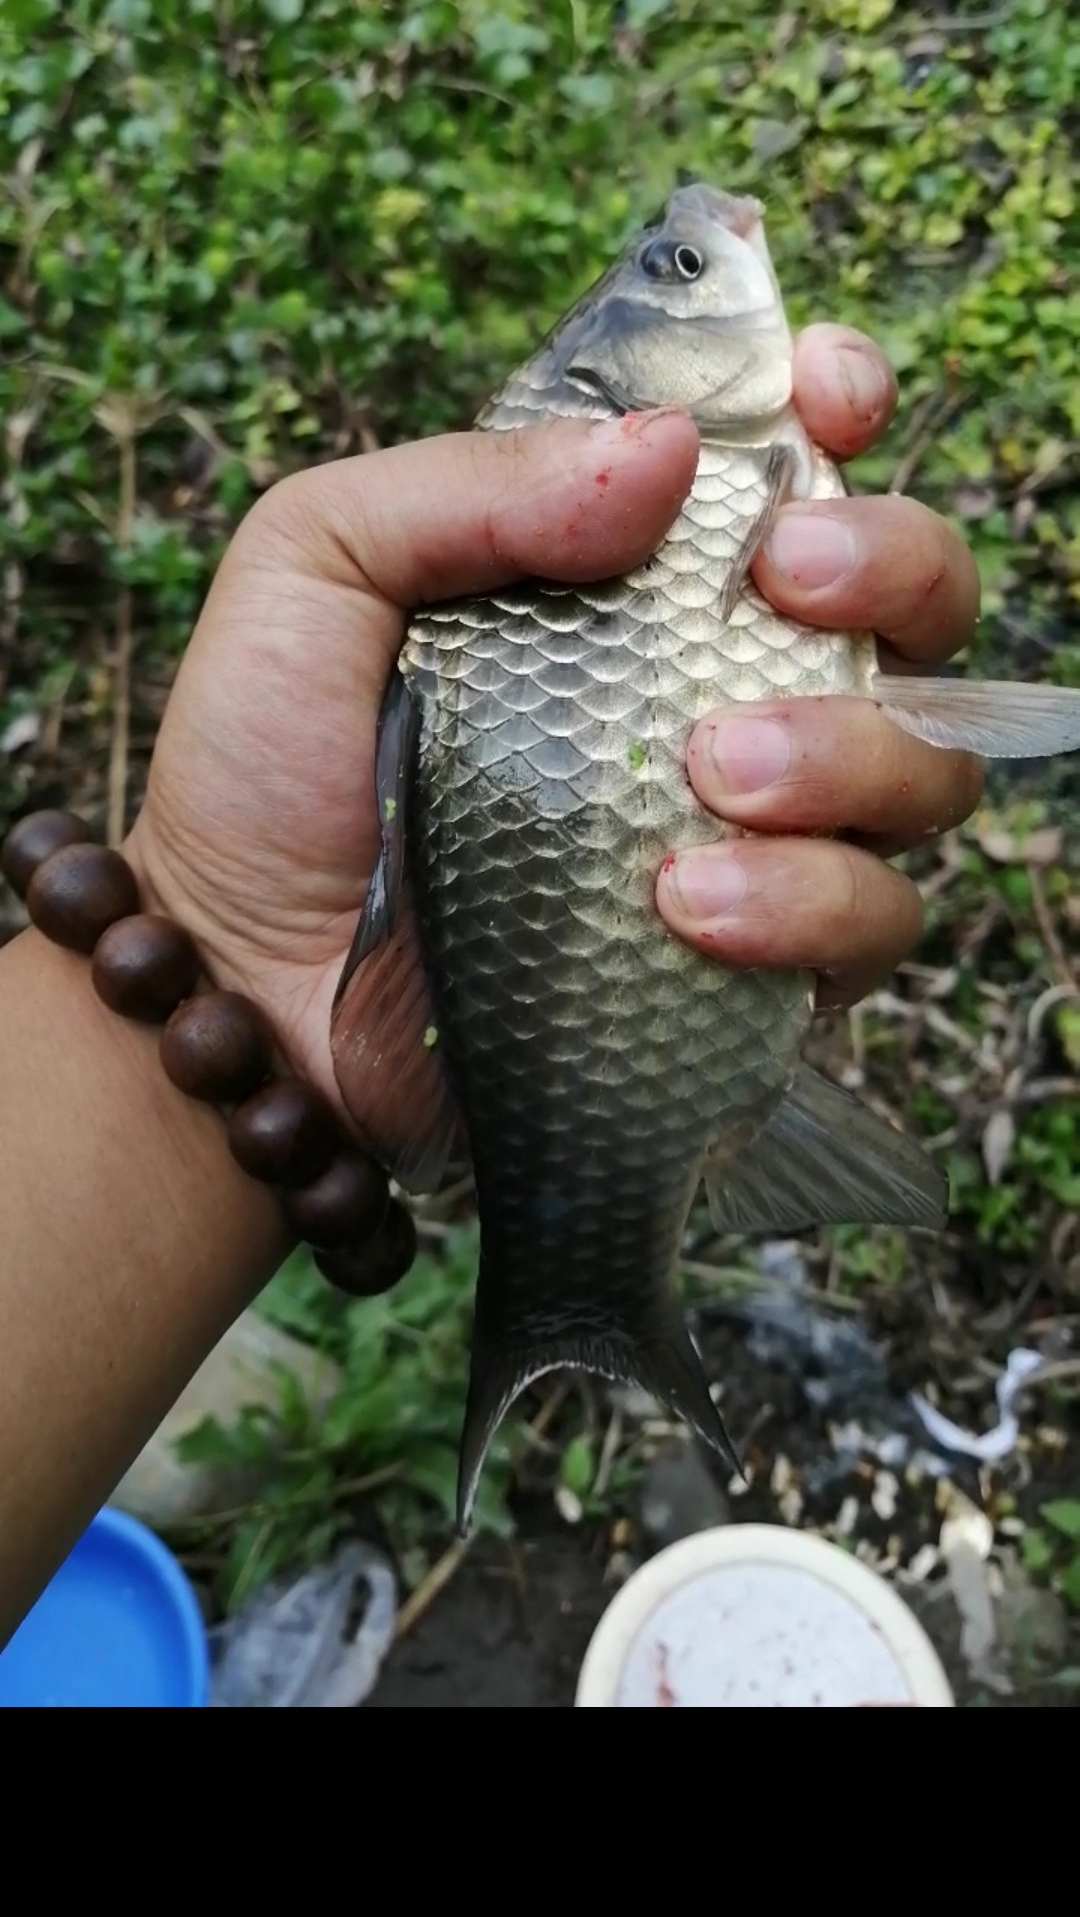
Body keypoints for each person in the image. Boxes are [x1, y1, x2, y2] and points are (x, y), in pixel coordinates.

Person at [0, 323, 982, 1644]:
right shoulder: (614, 468)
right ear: (615, 385)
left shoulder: (701, 466)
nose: (713, 248)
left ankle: (591, 1281)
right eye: (680, 272)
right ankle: (582, 1292)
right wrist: (212, 927)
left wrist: (209, 938)